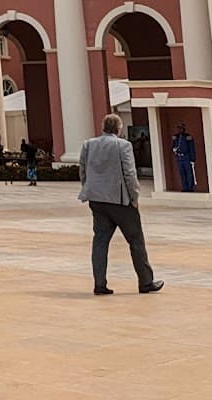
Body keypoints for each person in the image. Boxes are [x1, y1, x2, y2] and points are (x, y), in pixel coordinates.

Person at [78, 114, 162, 296]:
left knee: (100, 241)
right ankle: (145, 281)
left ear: (103, 127)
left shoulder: (88, 144)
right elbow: (130, 174)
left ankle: (99, 284)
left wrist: (88, 189)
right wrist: (135, 198)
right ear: (118, 128)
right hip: (120, 200)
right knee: (136, 240)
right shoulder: (123, 145)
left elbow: (83, 171)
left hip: (97, 200)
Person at [171, 123, 197, 193]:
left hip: (186, 157)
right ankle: (185, 187)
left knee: (189, 172)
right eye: (178, 128)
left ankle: (190, 187)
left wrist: (192, 158)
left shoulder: (188, 137)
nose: (179, 130)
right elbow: (173, 146)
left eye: (181, 128)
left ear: (183, 129)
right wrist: (174, 149)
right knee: (182, 173)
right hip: (179, 157)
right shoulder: (175, 137)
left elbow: (191, 148)